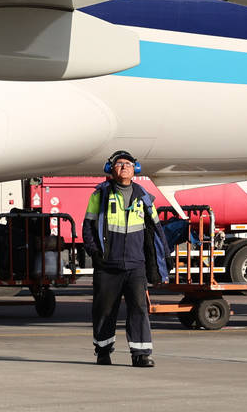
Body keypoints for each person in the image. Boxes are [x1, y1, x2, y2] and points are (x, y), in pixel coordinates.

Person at [82, 150, 170, 367]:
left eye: (128, 164)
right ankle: (103, 351)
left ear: (135, 170)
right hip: (107, 266)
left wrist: (160, 262)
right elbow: (87, 227)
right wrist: (96, 254)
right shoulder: (100, 195)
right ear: (111, 169)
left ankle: (141, 355)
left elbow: (156, 231)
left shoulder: (144, 197)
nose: (124, 167)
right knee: (104, 310)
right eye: (119, 164)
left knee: (139, 309)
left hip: (135, 265)